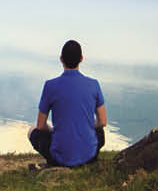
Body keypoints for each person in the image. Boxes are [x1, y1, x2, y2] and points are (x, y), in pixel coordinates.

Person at [28, 39, 106, 168]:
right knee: (99, 131)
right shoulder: (94, 84)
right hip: (89, 157)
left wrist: (53, 130)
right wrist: (86, 125)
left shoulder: (50, 86)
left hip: (59, 158)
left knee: (33, 130)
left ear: (61, 59)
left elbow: (40, 126)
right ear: (81, 58)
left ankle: (55, 160)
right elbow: (102, 122)